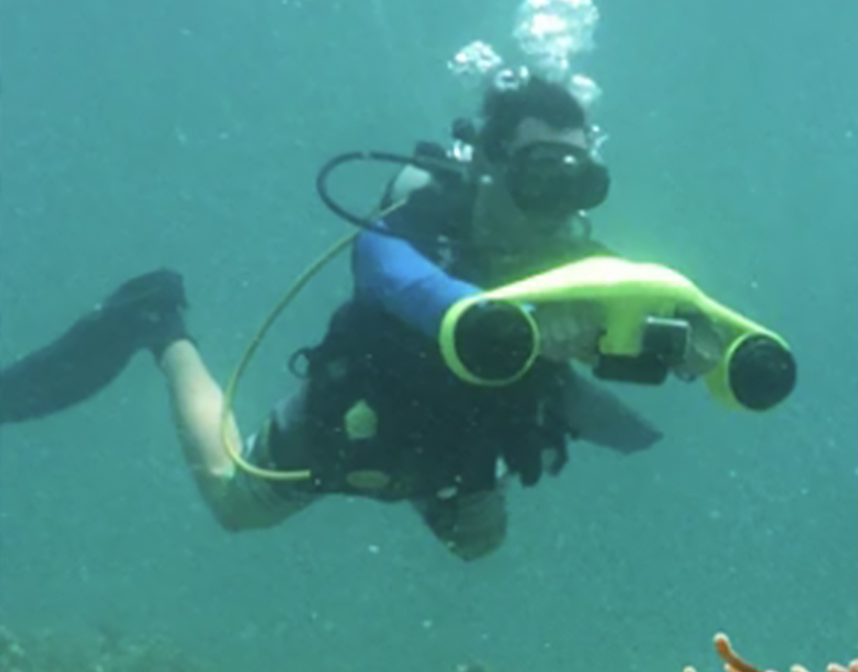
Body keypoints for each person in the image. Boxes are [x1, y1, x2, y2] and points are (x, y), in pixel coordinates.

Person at [0, 76, 695, 559]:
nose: (558, 198)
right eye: (542, 169)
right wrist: (522, 328)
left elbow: (654, 319)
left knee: (481, 547)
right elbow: (388, 271)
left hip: (467, 439)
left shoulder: (579, 256)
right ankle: (161, 324)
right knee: (235, 506)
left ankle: (437, 495)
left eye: (577, 176)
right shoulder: (417, 219)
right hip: (366, 413)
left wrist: (693, 346)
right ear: (489, 161)